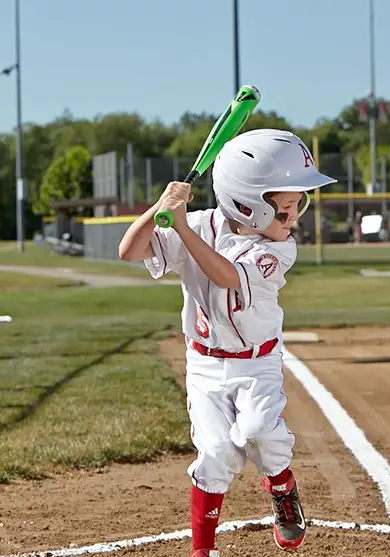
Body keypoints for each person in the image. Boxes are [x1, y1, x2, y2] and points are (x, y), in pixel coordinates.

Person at [118, 129, 336, 556]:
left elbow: (225, 275)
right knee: (214, 452)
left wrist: (180, 225)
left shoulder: (279, 250)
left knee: (259, 433)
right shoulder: (198, 225)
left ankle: (282, 488)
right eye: (286, 207)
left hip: (256, 365)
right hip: (204, 367)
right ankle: (202, 550)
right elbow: (130, 250)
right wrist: (160, 209)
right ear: (247, 204)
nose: (294, 216)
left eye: (297, 205)